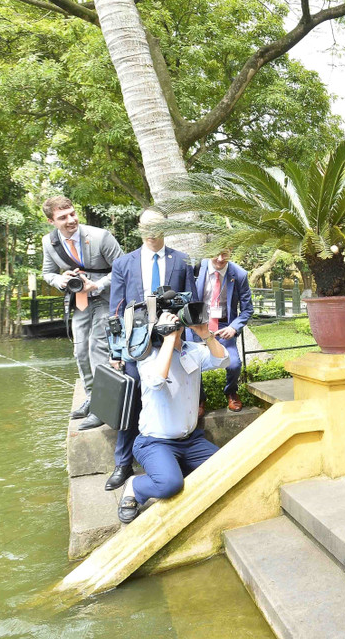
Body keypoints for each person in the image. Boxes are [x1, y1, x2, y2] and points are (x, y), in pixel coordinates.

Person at [105, 208, 198, 491]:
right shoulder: (124, 263)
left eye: (156, 226)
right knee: (132, 398)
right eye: (146, 226)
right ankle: (122, 464)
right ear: (139, 227)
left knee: (185, 392)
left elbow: (191, 304)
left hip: (175, 340)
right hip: (138, 344)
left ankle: (182, 456)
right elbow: (116, 310)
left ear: (164, 227)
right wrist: (116, 353)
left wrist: (190, 342)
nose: (151, 232)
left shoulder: (182, 260)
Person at [116, 311, 229, 523]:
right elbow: (157, 380)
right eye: (169, 321)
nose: (176, 323)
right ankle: (134, 486)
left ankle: (177, 467)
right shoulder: (147, 357)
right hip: (155, 442)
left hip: (191, 440)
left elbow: (223, 361)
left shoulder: (193, 350)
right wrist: (168, 338)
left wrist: (206, 335)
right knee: (169, 485)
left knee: (227, 467)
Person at [41, 196, 122, 430]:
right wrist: (61, 279)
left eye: (72, 214)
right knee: (80, 351)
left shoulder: (100, 236)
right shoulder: (49, 242)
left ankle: (102, 407)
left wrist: (97, 285)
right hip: (79, 301)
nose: (71, 220)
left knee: (98, 349)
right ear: (51, 221)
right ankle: (91, 397)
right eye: (63, 217)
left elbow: (123, 268)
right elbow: (48, 273)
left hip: (105, 298)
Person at [194, 249, 254, 412]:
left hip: (223, 326)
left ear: (231, 253)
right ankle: (198, 398)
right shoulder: (196, 268)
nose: (220, 259)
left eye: (225, 255)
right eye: (216, 254)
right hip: (198, 324)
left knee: (234, 364)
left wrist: (234, 327)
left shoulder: (239, 274)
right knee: (191, 363)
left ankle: (231, 392)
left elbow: (248, 309)